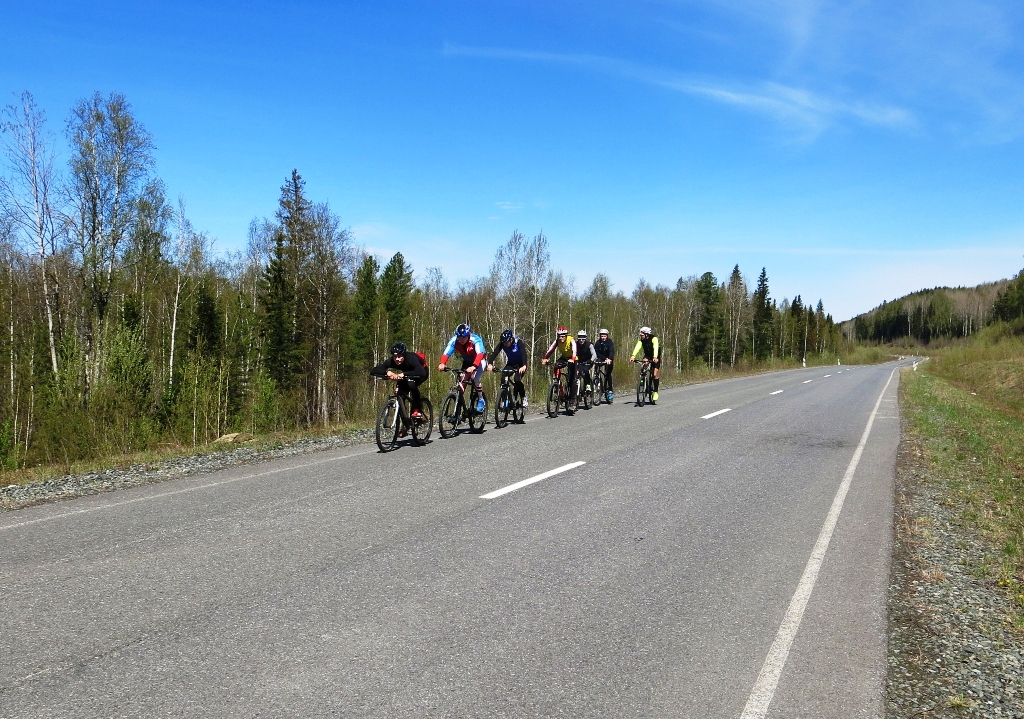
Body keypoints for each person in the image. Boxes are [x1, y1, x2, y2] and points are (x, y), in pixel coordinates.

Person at [370, 342, 428, 435]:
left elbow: (421, 371)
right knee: (401, 394)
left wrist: (403, 374)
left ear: (404, 354)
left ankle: (416, 409)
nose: (397, 359)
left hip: (421, 373)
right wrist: (387, 373)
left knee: (411, 384)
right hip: (407, 374)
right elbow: (374, 370)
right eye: (395, 356)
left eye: (400, 356)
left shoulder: (411, 358)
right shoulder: (392, 361)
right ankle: (406, 423)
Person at [438, 322, 488, 412]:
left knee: (474, 378)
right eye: (459, 337)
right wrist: (442, 363)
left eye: (463, 337)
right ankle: (457, 413)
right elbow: (447, 352)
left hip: (480, 361)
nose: (461, 339)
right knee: (461, 385)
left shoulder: (475, 339)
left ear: (468, 335)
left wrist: (474, 366)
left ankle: (481, 399)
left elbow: (480, 353)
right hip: (467, 362)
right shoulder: (455, 340)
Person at [487, 328, 528, 406]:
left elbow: (523, 353)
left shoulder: (518, 342)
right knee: (503, 377)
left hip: (521, 364)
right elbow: (495, 353)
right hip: (511, 364)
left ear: (511, 340)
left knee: (517, 379)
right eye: (504, 343)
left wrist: (524, 365)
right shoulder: (503, 343)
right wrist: (490, 363)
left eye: (506, 343)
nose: (505, 344)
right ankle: (504, 399)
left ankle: (523, 397)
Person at [541, 326, 577, 411]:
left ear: (566, 335)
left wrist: (572, 358)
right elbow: (551, 349)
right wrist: (545, 358)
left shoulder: (571, 340)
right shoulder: (557, 341)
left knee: (572, 380)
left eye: (562, 336)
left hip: (573, 358)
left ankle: (572, 401)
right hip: (564, 357)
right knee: (556, 366)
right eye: (559, 336)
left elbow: (575, 350)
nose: (561, 338)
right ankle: (559, 387)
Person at [629, 326, 660, 403]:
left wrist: (655, 357)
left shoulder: (654, 338)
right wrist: (633, 356)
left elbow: (656, 347)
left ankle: (655, 391)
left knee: (655, 374)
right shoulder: (641, 341)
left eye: (642, 334)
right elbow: (637, 347)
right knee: (644, 364)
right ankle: (643, 381)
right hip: (647, 356)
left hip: (655, 356)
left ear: (646, 334)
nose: (640, 335)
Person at [575, 330, 598, 400]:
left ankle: (588, 385)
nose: (581, 340)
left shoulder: (589, 344)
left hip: (588, 361)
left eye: (583, 338)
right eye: (579, 338)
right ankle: (577, 391)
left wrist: (591, 360)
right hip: (579, 362)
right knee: (576, 373)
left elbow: (594, 354)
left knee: (585, 370)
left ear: (585, 338)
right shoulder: (575, 344)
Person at [594, 328, 615, 402]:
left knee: (608, 374)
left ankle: (610, 391)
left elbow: (611, 351)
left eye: (604, 336)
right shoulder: (598, 343)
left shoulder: (609, 342)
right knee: (596, 364)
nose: (603, 337)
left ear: (607, 336)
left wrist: (609, 359)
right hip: (602, 358)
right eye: (602, 336)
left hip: (609, 359)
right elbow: (596, 352)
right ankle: (598, 379)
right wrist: (604, 358)